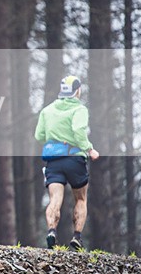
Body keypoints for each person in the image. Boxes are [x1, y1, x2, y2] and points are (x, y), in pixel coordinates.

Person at [34, 75, 99, 251]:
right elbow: (78, 131)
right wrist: (89, 148)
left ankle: (51, 231)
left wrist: (54, 137)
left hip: (53, 161)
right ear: (77, 90)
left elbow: (39, 136)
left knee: (55, 198)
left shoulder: (47, 111)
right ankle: (76, 237)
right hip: (74, 159)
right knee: (80, 198)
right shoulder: (79, 110)